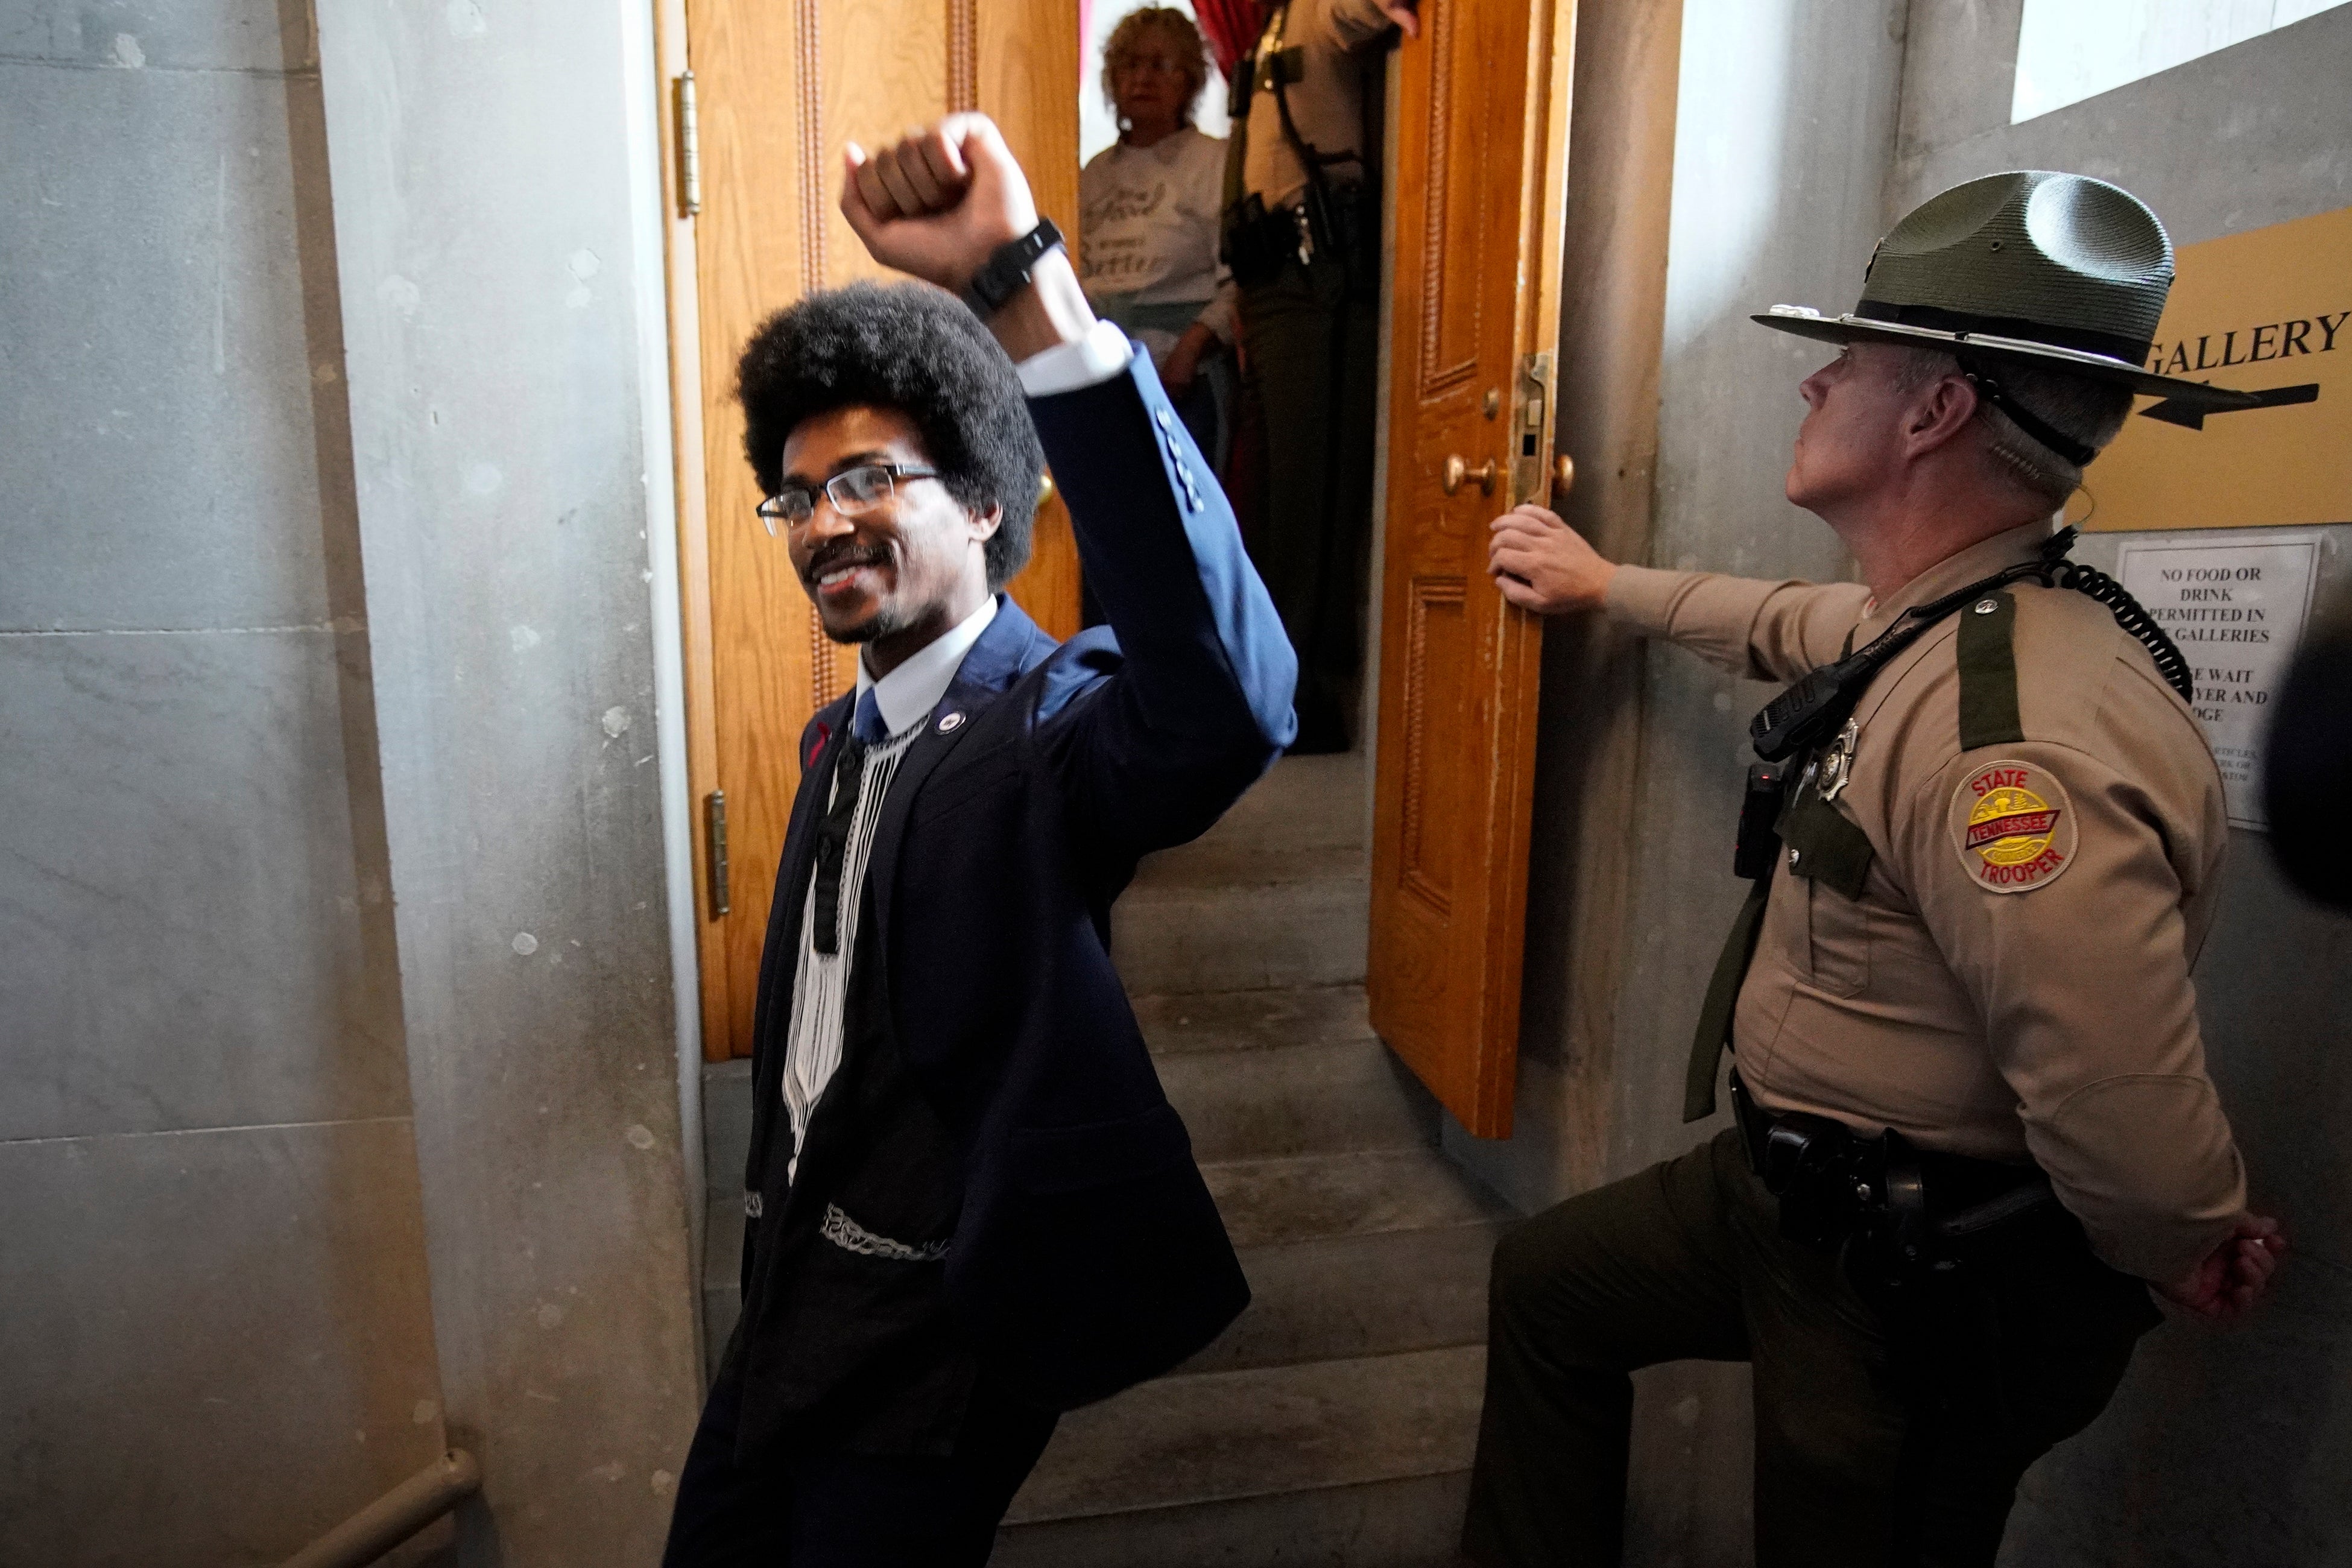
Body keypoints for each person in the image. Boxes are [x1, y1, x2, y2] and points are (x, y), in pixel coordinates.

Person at [1465, 171, 2287, 1567]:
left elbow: (2117, 1097)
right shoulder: (1943, 618)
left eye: (1846, 359)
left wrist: (2185, 1232)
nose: (1815, 384)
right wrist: (1610, 587)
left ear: (1935, 409)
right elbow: (1794, 623)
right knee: (1549, 1283)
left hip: (1904, 1281)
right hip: (1784, 1196)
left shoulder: (2008, 739)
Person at [660, 113, 1297, 1566]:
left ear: (989, 503)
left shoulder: (1051, 720)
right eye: (802, 494)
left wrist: (1027, 294)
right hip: (787, 1303)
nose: (827, 521)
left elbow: (1226, 705)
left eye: (872, 476)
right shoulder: (841, 737)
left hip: (940, 1331)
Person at [1223, 0, 1417, 752]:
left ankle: (1303, 693)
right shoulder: (1270, 25)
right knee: (1273, 501)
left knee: (1315, 496)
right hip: (1269, 286)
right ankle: (1274, 682)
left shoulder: (1311, 12)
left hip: (1318, 283)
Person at [1079, 6, 1238, 469]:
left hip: (1182, 374)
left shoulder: (1213, 161)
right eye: (1130, 64)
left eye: (1160, 65)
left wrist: (1189, 351)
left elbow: (1237, 284)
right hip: (1101, 375)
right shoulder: (1092, 175)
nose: (1142, 78)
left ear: (1188, 79)